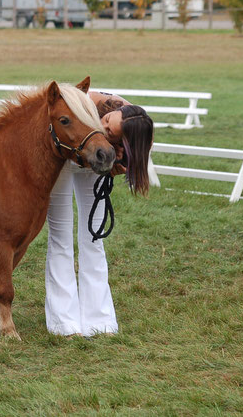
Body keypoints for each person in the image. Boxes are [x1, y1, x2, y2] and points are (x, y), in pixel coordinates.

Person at [45, 83, 154, 337]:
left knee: (93, 238)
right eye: (106, 121)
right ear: (117, 112)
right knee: (60, 236)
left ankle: (100, 321)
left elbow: (126, 162)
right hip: (64, 156)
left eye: (110, 133)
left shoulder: (138, 135)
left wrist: (116, 162)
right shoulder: (92, 101)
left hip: (95, 157)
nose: (102, 127)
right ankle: (63, 323)